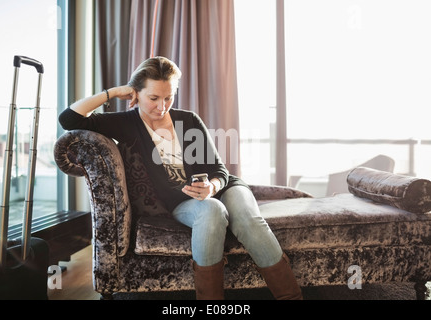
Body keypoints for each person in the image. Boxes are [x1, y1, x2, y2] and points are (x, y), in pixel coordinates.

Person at [59, 56, 302, 300]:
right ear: (136, 93)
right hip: (184, 202)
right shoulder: (127, 124)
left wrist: (213, 185)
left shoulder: (188, 120)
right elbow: (69, 120)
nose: (162, 106)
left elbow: (220, 170)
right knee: (211, 210)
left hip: (225, 188)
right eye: (153, 98)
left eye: (169, 97)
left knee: (248, 219)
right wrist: (113, 92)